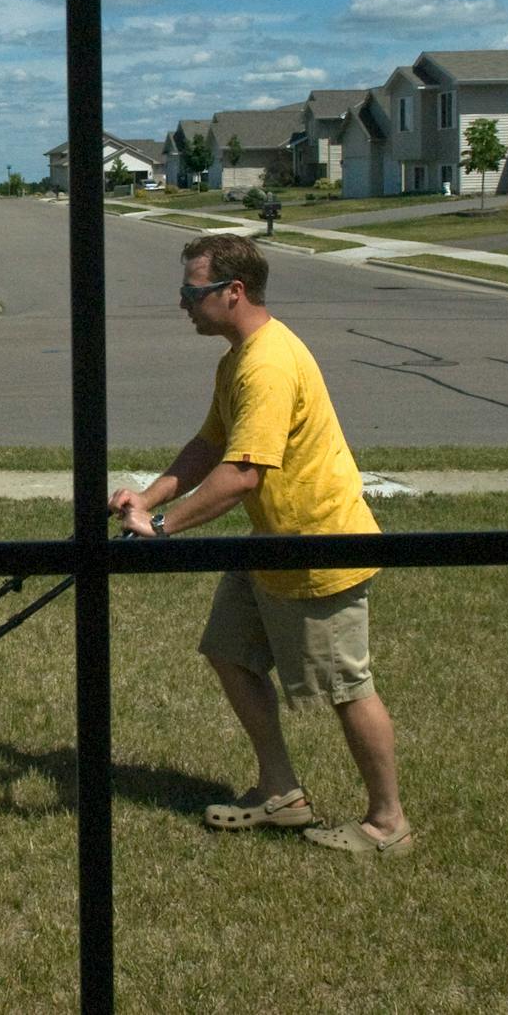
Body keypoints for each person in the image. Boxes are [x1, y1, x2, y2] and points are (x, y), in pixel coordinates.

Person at [109, 233, 412, 857]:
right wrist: (149, 497)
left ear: (233, 292)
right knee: (229, 650)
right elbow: (210, 445)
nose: (184, 304)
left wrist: (164, 529)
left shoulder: (269, 364)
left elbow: (245, 472)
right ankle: (281, 793)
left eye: (193, 292)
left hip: (315, 546)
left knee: (346, 687)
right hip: (272, 541)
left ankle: (387, 824)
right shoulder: (239, 358)